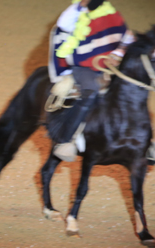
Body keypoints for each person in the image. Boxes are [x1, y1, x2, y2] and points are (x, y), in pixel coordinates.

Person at [48, 0, 135, 161]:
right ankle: (64, 140)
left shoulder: (111, 13)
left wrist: (119, 53)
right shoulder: (76, 11)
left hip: (107, 65)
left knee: (130, 90)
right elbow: (63, 25)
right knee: (90, 92)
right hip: (83, 65)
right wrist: (80, 7)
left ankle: (143, 140)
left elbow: (126, 37)